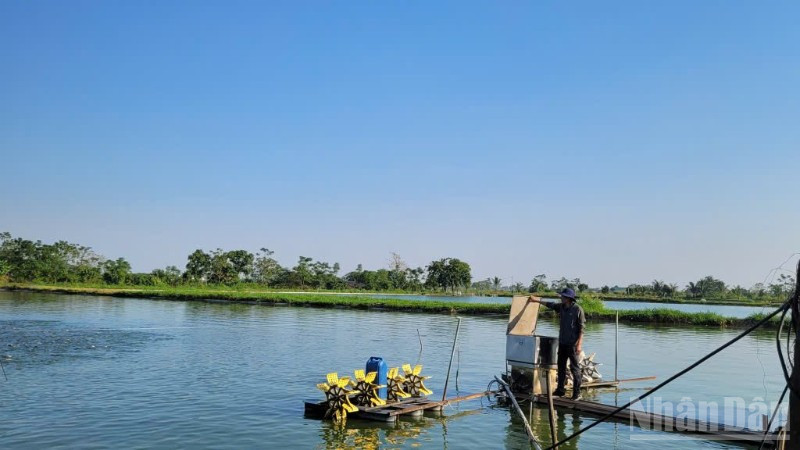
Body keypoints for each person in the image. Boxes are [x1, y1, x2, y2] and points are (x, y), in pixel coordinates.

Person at [528, 287, 586, 400]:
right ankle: (560, 391)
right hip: (563, 343)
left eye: (563, 297)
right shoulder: (561, 307)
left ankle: (577, 393)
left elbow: (582, 329)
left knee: (575, 369)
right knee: (561, 367)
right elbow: (550, 304)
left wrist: (579, 344)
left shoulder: (578, 310)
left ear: (569, 298)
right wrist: (536, 300)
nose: (561, 298)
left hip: (573, 345)